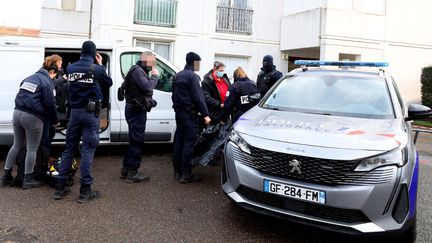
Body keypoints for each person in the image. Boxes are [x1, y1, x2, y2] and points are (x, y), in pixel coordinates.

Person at [53, 40, 112, 203]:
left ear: (81, 52)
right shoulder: (97, 69)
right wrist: (100, 64)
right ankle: (85, 191)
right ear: (94, 54)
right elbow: (109, 83)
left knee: (69, 150)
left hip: (74, 114)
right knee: (87, 150)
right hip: (91, 115)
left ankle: (60, 188)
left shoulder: (71, 68)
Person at [0, 55, 59, 189]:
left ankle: (6, 176)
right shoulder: (47, 82)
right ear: (52, 72)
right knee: (32, 149)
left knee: (17, 145)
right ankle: (28, 179)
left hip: (17, 113)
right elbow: (50, 105)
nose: (54, 78)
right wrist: (55, 120)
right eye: (55, 76)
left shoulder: (28, 78)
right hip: (33, 117)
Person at [172, 52, 211, 183]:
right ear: (194, 62)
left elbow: (174, 95)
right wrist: (206, 114)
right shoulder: (193, 77)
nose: (199, 65)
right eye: (198, 62)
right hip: (189, 114)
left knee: (179, 141)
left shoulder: (177, 76)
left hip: (179, 113)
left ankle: (177, 171)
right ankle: (186, 174)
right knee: (189, 142)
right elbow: (199, 98)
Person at [120, 51, 159, 183]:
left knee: (133, 141)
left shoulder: (134, 70)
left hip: (132, 109)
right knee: (137, 141)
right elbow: (148, 87)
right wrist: (154, 77)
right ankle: (133, 173)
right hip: (136, 111)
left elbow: (124, 87)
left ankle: (126, 169)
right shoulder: (138, 71)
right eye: (152, 61)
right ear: (146, 60)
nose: (154, 64)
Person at [40, 54, 64, 157]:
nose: (61, 65)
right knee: (45, 137)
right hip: (47, 112)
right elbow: (49, 85)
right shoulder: (47, 73)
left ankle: (45, 158)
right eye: (60, 62)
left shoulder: (58, 72)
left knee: (50, 134)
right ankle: (42, 161)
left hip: (53, 108)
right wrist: (62, 79)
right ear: (56, 63)